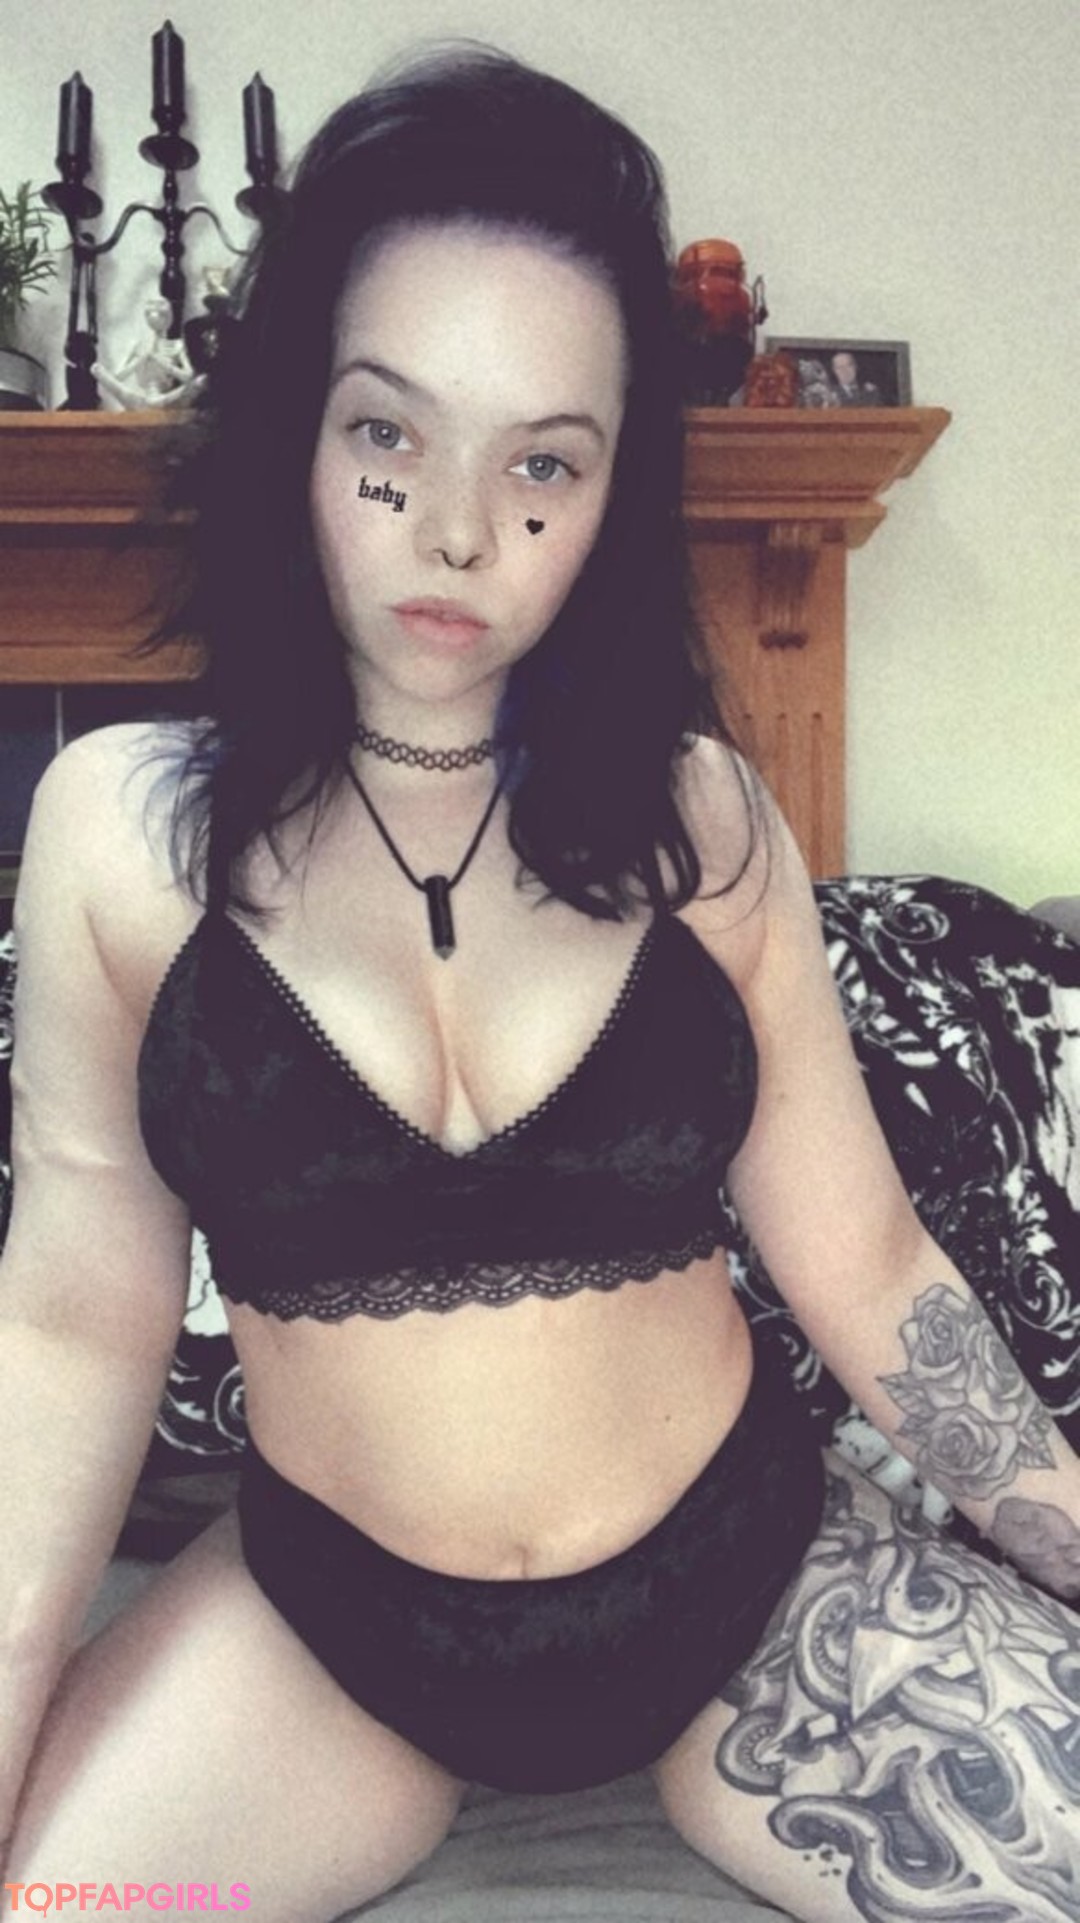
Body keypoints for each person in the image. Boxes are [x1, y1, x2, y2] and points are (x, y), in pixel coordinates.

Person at [3, 40, 1080, 1923]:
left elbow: (870, 1261)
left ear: (611, 495)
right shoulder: (118, 834)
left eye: (544, 463)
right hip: (331, 1642)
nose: (458, 529)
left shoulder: (702, 821)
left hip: (748, 1590)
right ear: (296, 431)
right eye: (388, 435)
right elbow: (74, 1323)